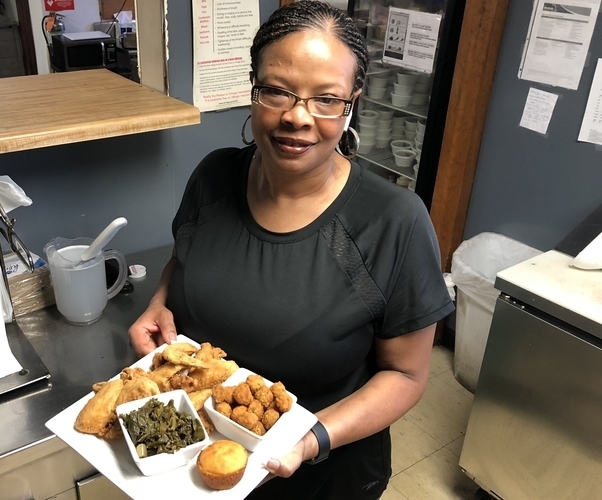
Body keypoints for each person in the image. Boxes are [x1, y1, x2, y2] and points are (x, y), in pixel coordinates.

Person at [128, 1, 454, 498]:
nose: (297, 117)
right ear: (253, 90)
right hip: (195, 455)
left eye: (327, 99)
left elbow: (407, 375)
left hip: (319, 472)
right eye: (277, 91)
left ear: (352, 104)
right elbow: (185, 258)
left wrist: (309, 439)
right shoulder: (213, 176)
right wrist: (160, 301)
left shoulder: (394, 221)